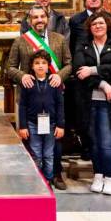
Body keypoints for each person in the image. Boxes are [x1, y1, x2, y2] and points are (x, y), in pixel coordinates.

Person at [6, 5, 72, 189]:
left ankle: (56, 174)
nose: (39, 20)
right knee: (32, 143)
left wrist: (60, 75)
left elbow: (69, 64)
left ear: (48, 18)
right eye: (35, 17)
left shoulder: (59, 39)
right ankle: (34, 175)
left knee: (55, 142)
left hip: (53, 95)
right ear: (29, 21)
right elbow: (10, 67)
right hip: (31, 98)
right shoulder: (20, 41)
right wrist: (22, 76)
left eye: (42, 16)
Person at [73, 12, 111, 195]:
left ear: (108, 26)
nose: (98, 26)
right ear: (90, 27)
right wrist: (102, 83)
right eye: (94, 23)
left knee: (108, 142)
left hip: (109, 103)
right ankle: (98, 174)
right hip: (88, 101)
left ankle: (110, 177)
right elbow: (80, 73)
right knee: (94, 142)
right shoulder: (83, 45)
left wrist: (93, 69)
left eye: (101, 23)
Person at [17, 51, 65, 183]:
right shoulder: (28, 83)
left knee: (49, 155)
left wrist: (60, 125)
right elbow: (22, 106)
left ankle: (48, 180)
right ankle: (37, 181)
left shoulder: (54, 82)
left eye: (44, 63)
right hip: (32, 124)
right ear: (31, 66)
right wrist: (23, 126)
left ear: (48, 65)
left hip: (51, 124)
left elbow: (60, 105)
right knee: (36, 154)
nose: (40, 66)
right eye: (37, 63)